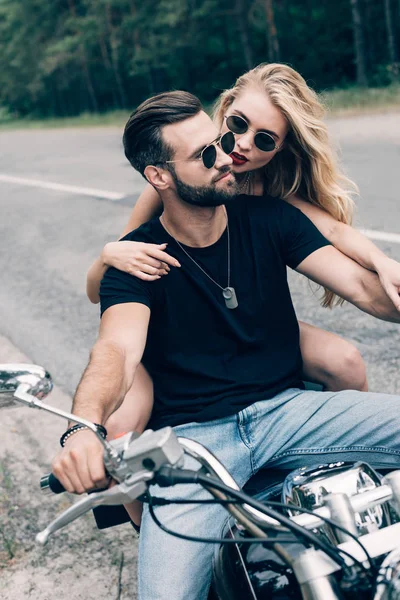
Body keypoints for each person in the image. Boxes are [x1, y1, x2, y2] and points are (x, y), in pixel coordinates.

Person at [53, 90, 400, 600]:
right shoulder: (136, 259)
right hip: (194, 447)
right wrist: (83, 429)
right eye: (203, 154)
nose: (225, 158)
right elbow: (117, 350)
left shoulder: (268, 218)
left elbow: (364, 288)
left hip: (291, 413)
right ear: (159, 178)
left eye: (219, 143)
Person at [87, 63, 400, 442]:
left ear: (281, 147)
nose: (243, 145)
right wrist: (109, 254)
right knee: (119, 425)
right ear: (226, 109)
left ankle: (343, 465)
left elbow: (333, 230)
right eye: (237, 126)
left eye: (265, 140)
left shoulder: (272, 196)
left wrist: (383, 263)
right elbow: (123, 264)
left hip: (245, 321)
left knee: (344, 360)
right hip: (171, 331)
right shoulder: (170, 179)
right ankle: (132, 500)